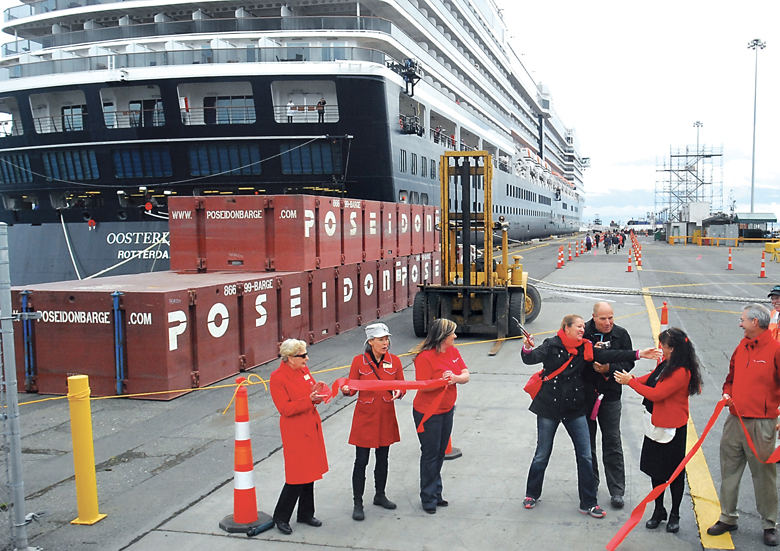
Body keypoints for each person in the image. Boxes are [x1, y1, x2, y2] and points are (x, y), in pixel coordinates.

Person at [521, 314, 660, 518]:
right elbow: (530, 359)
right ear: (566, 328)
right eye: (578, 327)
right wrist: (527, 347)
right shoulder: (551, 344)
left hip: (574, 408)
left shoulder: (585, 348)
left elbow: (609, 355)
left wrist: (639, 354)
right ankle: (532, 494)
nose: (582, 330)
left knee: (585, 455)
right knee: (542, 453)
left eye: (582, 327)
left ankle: (589, 502)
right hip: (549, 407)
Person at [615, 327, 702, 533]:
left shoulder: (681, 371)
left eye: (663, 344)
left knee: (674, 473)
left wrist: (631, 383)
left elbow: (657, 394)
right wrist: (631, 378)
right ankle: (659, 509)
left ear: (672, 348)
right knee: (656, 471)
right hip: (655, 423)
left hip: (672, 427)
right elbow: (651, 378)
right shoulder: (667, 364)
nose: (660, 347)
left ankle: (675, 513)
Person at [707, 304, 780, 547]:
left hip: (762, 424)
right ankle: (727, 517)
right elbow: (730, 378)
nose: (740, 324)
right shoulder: (742, 346)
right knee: (729, 470)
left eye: (743, 320)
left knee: (764, 476)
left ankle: (769, 524)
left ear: (755, 323)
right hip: (735, 420)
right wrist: (727, 393)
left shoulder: (776, 350)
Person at [341, 323, 405, 521]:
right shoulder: (358, 362)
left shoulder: (395, 361)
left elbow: (402, 385)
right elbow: (352, 387)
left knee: (383, 458)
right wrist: (346, 390)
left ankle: (380, 495)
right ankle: (357, 503)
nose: (385, 343)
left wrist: (399, 391)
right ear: (370, 342)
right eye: (381, 340)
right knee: (361, 461)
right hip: (365, 417)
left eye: (386, 339)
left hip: (385, 416)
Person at [270, 339, 329, 535]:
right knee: (296, 475)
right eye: (303, 355)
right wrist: (309, 400)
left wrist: (316, 392)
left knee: (309, 471)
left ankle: (305, 513)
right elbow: (285, 408)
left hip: (309, 425)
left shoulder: (303, 370)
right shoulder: (278, 378)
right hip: (295, 430)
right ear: (290, 358)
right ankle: (281, 516)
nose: (307, 358)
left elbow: (309, 391)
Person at [412, 318, 469, 514]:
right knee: (430, 454)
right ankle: (428, 497)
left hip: (446, 409)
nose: (455, 336)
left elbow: (465, 375)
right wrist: (442, 380)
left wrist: (454, 378)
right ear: (443, 336)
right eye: (452, 333)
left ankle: (436, 492)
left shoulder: (453, 352)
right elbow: (423, 386)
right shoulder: (425, 358)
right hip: (428, 412)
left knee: (440, 453)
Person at [583, 302, 635, 509]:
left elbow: (629, 361)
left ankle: (617, 490)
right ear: (594, 317)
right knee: (587, 443)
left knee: (612, 441)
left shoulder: (621, 335)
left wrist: (609, 368)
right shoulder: (583, 332)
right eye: (603, 318)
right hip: (586, 396)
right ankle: (590, 484)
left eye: (611, 318)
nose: (608, 322)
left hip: (610, 395)